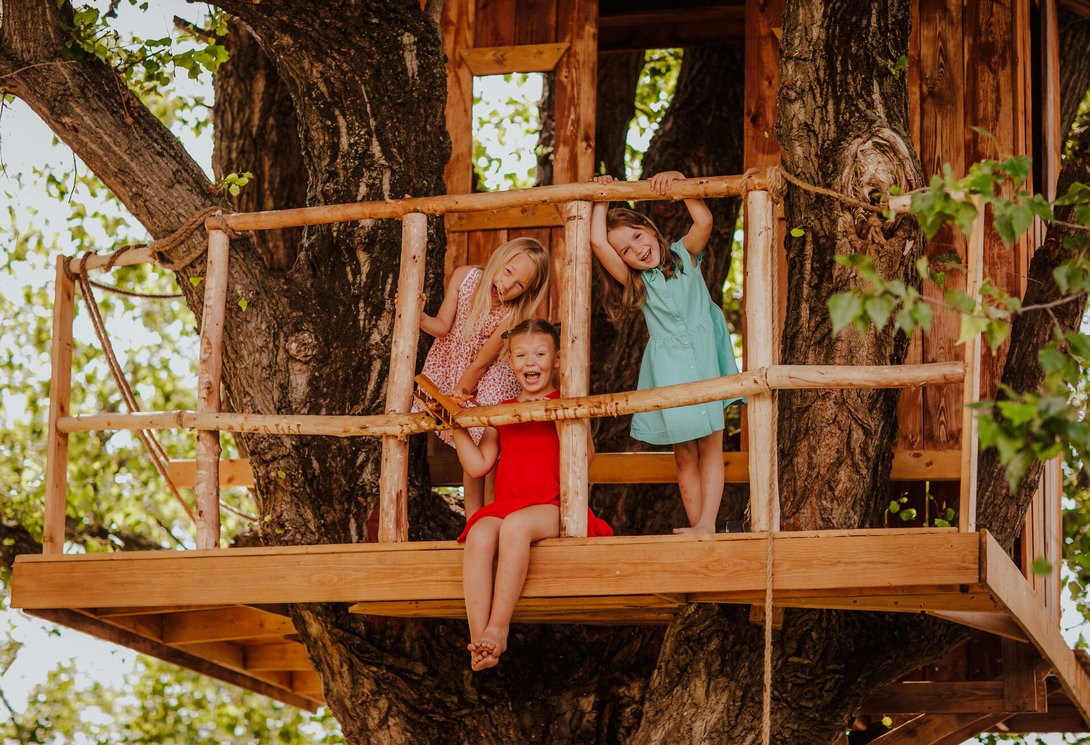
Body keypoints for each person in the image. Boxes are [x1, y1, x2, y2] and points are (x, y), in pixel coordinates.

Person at [453, 319, 613, 671]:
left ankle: (499, 628)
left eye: (540, 354)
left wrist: (558, 415)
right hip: (508, 506)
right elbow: (479, 465)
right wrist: (455, 424)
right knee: (479, 533)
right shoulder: (502, 411)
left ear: (556, 360)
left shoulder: (566, 404)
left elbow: (585, 456)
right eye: (521, 355)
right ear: (510, 361)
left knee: (515, 527)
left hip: (554, 506)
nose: (530, 362)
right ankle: (480, 641)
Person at [590, 170, 742, 535]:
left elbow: (704, 220)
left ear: (648, 226)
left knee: (712, 445)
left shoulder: (683, 255)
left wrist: (679, 184)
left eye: (637, 237)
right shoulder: (637, 282)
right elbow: (597, 242)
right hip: (670, 368)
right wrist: (601, 198)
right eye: (626, 251)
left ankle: (707, 524)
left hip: (706, 359)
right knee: (685, 453)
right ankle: (697, 525)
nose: (638, 250)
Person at [417, 237, 551, 517]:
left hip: (488, 378)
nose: (506, 285)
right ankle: (473, 520)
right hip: (453, 367)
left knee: (485, 450)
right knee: (470, 454)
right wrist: (418, 315)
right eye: (508, 271)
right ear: (498, 259)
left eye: (518, 285)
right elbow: (442, 327)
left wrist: (454, 402)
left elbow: (480, 364)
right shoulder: (464, 277)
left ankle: (490, 515)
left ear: (526, 292)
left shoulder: (512, 314)